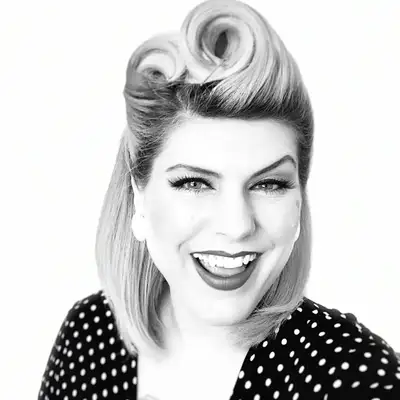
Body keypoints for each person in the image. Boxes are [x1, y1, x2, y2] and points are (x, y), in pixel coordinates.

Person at [37, 0, 400, 399]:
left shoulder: (353, 377)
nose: (237, 225)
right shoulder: (89, 335)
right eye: (194, 183)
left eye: (269, 184)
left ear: (299, 199)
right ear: (138, 197)